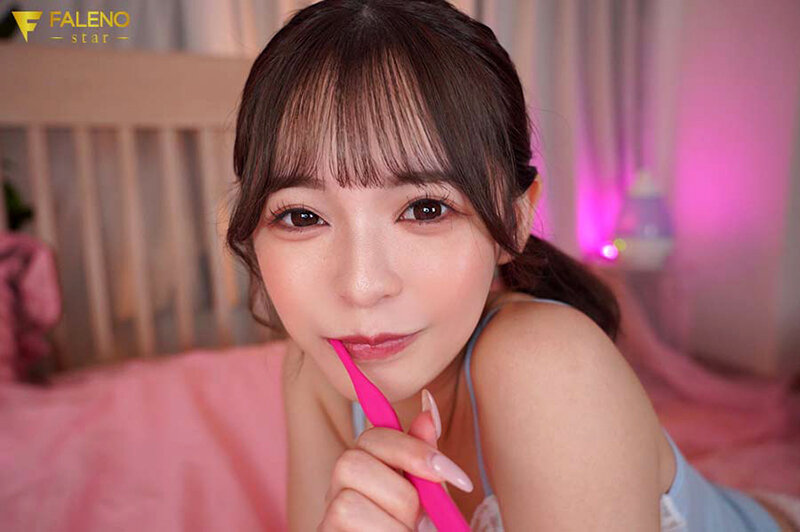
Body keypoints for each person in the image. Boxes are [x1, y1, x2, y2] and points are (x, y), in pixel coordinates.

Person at [225, 1, 794, 530]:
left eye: (426, 209)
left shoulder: (546, 364)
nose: (362, 286)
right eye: (301, 216)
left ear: (515, 219)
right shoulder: (313, 369)